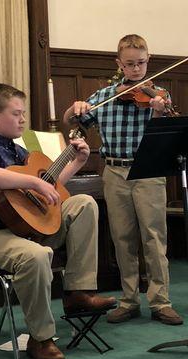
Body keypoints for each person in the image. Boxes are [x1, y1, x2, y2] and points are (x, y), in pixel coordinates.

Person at [0, 83, 116, 359]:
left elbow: (47, 192)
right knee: (36, 256)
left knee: (83, 203)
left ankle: (78, 292)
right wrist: (32, 180)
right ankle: (41, 338)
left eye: (24, 114)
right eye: (16, 113)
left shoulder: (19, 151)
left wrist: (75, 163)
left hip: (28, 228)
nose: (23, 119)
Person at [64, 34, 183, 326]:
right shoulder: (104, 96)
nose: (136, 69)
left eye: (141, 63)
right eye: (129, 64)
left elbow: (170, 126)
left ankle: (160, 301)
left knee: (154, 237)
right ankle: (129, 300)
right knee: (122, 238)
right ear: (119, 63)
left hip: (148, 170)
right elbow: (71, 120)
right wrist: (76, 107)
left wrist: (159, 110)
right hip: (114, 171)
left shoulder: (159, 94)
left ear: (148, 60)